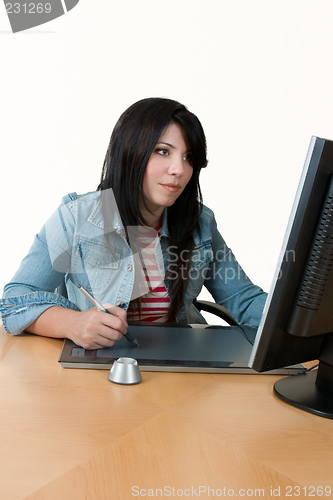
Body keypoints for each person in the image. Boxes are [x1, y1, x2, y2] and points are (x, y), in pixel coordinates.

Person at [0, 97, 267, 349]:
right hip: (100, 366)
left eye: (188, 157)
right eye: (163, 151)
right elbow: (14, 302)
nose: (179, 170)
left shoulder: (199, 221)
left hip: (181, 363)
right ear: (130, 152)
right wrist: (74, 323)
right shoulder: (76, 217)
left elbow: (242, 300)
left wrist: (302, 315)